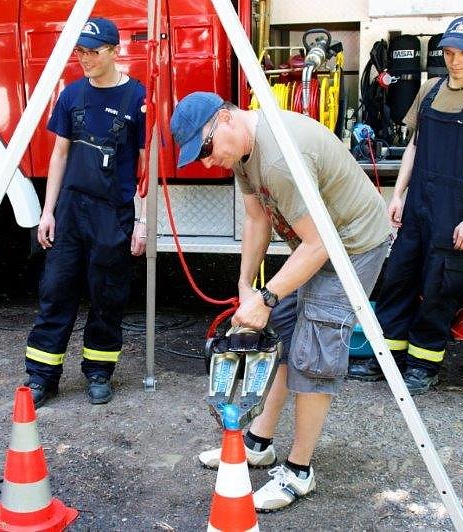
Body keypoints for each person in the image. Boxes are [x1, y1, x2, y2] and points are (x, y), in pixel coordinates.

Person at [170, 91, 390, 511]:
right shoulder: (243, 154)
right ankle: (258, 444)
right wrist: (244, 286)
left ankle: (298, 472)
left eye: (205, 148)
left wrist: (268, 296)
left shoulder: (276, 159)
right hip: (316, 243)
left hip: (352, 245)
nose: (205, 161)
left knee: (313, 355)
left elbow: (321, 243)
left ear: (226, 120)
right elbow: (257, 218)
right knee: (281, 337)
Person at [348, 15, 463, 394]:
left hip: (455, 207)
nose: (455, 60)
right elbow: (415, 148)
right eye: (450, 52)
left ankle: (423, 364)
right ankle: (385, 358)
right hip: (418, 199)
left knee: (439, 286)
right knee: (398, 278)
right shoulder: (430, 90)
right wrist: (399, 195)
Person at [23, 17, 146, 407]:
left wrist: (142, 220)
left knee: (107, 294)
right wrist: (48, 212)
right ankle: (42, 377)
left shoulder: (136, 99)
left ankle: (98, 371)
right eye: (80, 52)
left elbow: (147, 167)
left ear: (114, 51)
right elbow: (59, 154)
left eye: (94, 51)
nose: (85, 59)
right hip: (71, 210)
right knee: (56, 290)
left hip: (114, 213)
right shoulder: (71, 95)